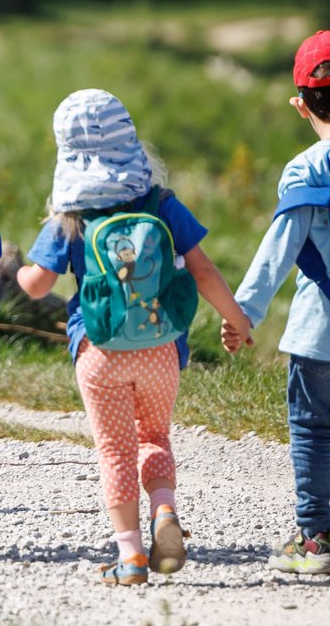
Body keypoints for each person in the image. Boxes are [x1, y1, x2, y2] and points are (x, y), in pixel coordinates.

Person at [15, 89, 251, 585]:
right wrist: (238, 320)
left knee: (115, 452)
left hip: (99, 351)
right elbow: (205, 272)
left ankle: (131, 558)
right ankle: (164, 513)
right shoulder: (160, 203)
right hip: (161, 348)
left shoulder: (71, 218)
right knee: (155, 437)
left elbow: (37, 285)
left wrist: (15, 273)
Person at [233, 30, 330, 575]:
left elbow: (278, 249)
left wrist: (243, 313)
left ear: (301, 107)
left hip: (315, 334)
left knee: (310, 433)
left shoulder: (304, 169)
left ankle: (317, 541)